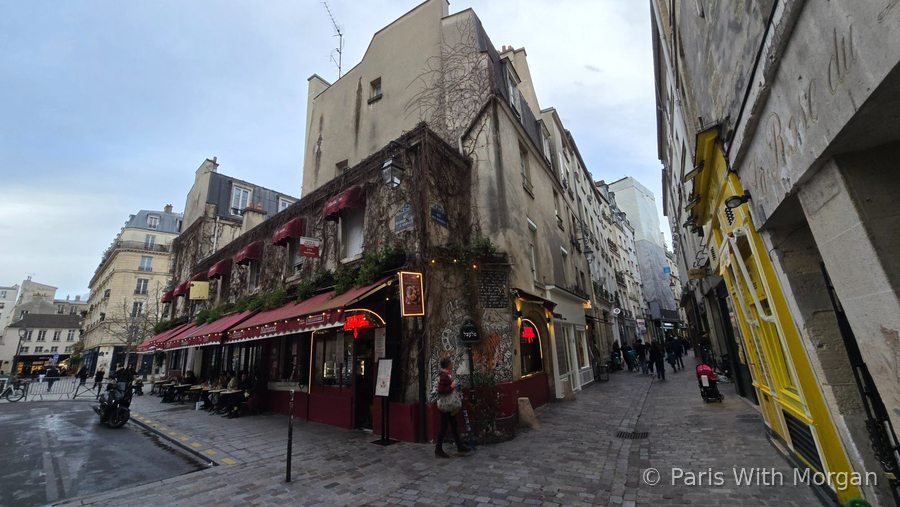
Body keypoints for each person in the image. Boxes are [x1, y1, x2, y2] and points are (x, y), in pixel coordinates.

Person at [435, 357, 469, 458]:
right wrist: (452, 387)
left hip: (449, 405)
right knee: (444, 427)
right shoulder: (444, 376)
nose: (452, 364)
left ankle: (459, 446)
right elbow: (441, 390)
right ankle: (438, 449)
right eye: (451, 363)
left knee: (454, 425)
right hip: (446, 405)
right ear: (448, 365)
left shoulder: (447, 374)